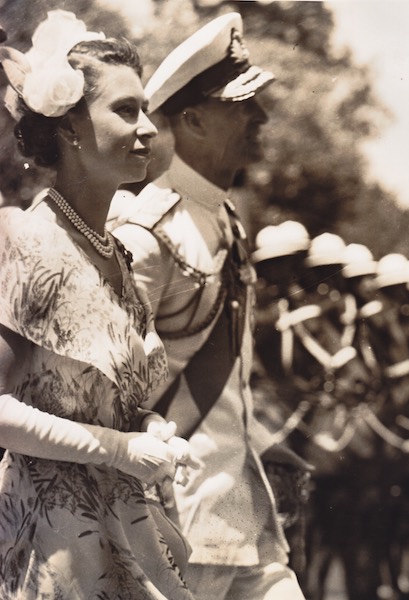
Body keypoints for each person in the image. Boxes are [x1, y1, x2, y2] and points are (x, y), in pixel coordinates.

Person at [109, 12, 308, 600]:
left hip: (241, 513)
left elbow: (224, 384)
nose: (261, 118)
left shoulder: (225, 219)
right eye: (243, 105)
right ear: (192, 119)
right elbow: (107, 391)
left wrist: (269, 444)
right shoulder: (145, 231)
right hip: (171, 521)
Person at [0, 10, 198, 600]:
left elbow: (114, 405)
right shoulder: (23, 241)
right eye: (125, 110)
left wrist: (154, 430)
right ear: (68, 129)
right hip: (51, 545)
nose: (148, 131)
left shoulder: (121, 256)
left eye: (146, 111)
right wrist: (119, 448)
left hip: (126, 527)